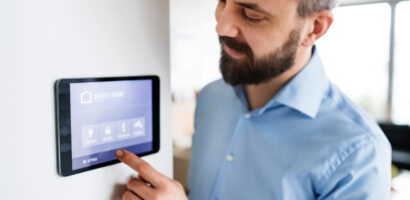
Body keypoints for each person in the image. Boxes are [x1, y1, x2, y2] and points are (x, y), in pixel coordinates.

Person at [115, 0, 392, 199]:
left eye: (251, 15)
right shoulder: (211, 97)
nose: (221, 26)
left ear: (315, 28)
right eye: (223, 1)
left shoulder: (359, 153)